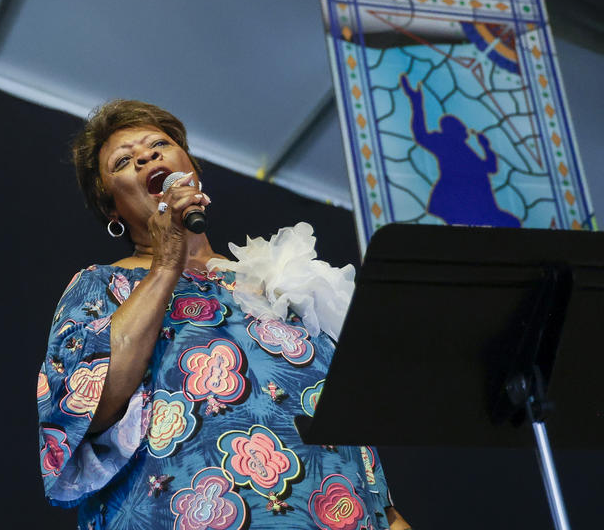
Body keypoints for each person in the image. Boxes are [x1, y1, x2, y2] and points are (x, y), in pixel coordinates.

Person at [37, 100, 409, 529]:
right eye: (123, 161)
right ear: (112, 209)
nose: (146, 156)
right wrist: (166, 263)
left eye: (160, 144)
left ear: (192, 169)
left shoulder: (276, 283)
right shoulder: (102, 285)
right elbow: (89, 407)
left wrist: (390, 516)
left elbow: (347, 433)